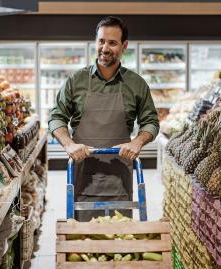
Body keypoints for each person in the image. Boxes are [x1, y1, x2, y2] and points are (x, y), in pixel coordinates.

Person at [48, 16, 159, 221]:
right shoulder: (76, 81)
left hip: (119, 177)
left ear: (124, 46)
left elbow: (151, 121)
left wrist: (137, 141)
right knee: (81, 238)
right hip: (83, 174)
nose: (105, 48)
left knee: (118, 235)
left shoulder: (136, 84)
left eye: (112, 43)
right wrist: (68, 144)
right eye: (101, 41)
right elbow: (56, 117)